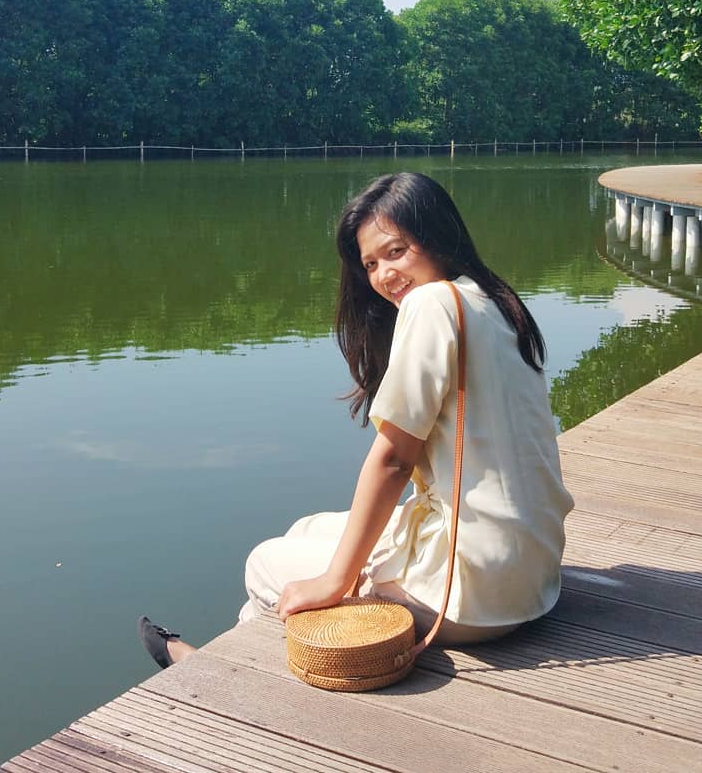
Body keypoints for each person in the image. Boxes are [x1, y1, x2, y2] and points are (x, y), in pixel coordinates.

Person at [139, 172, 573, 668]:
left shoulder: (432, 304)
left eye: (396, 251)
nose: (384, 275)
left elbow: (392, 460)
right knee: (305, 530)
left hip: (472, 593)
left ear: (437, 236)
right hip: (530, 577)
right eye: (370, 263)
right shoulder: (492, 301)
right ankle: (221, 659)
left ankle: (225, 678)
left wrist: (334, 582)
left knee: (264, 564)